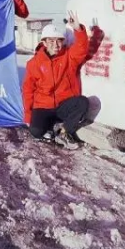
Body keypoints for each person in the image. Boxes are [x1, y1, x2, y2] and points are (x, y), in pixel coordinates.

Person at [22, 11, 90, 150]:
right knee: (36, 132)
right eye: (51, 41)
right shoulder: (33, 63)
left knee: (82, 102)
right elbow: (28, 90)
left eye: (59, 40)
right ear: (44, 42)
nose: (56, 44)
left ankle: (63, 132)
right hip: (43, 106)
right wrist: (28, 116)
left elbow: (81, 49)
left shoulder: (68, 56)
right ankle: (50, 127)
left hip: (63, 105)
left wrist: (78, 30)